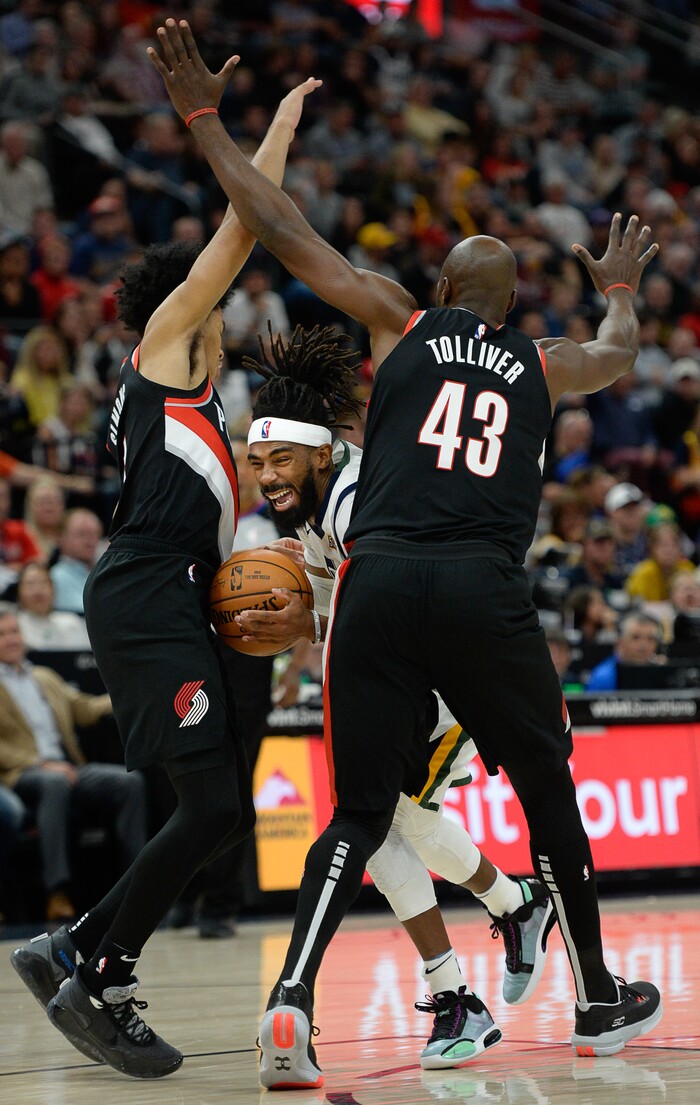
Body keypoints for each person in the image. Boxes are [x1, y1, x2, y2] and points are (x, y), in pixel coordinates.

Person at [150, 20, 663, 1085]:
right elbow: (617, 355)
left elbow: (280, 222)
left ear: (436, 288)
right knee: (549, 790)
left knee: (358, 811)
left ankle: (290, 1000)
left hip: (379, 583)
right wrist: (617, 287)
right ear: (512, 306)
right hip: (481, 586)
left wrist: (203, 119)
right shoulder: (541, 361)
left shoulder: (398, 319)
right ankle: (599, 994)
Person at [10, 73, 321, 1079]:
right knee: (212, 805)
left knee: (222, 798)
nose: (222, 293)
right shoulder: (166, 350)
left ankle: (72, 945)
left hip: (172, 590)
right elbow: (244, 225)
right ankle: (100, 970)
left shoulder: (196, 408)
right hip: (146, 588)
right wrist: (268, 129)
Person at [237, 325, 554, 1069]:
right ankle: (505, 916)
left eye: (279, 459)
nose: (266, 476)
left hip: (448, 676)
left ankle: (470, 973)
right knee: (383, 825)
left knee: (378, 821)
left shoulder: (355, 501)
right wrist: (303, 579)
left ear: (321, 451)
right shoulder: (322, 503)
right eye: (256, 462)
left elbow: (385, 614)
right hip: (405, 672)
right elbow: (348, 593)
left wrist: (308, 613)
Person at [0, 604, 146, 922]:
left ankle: (138, 885)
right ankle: (58, 892)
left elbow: (83, 708)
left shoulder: (43, 676)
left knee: (129, 782)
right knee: (53, 783)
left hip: (67, 768)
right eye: (2, 634)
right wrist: (39, 763)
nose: (11, 639)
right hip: (20, 774)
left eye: (14, 632)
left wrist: (130, 694)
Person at [15, 561, 91, 651]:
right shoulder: (13, 628)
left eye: (43, 583)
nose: (38, 591)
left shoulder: (72, 623)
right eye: (30, 584)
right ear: (19, 592)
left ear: (53, 589)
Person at [585, 612, 664, 691]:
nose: (643, 646)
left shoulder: (662, 673)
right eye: (635, 638)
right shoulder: (603, 678)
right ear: (620, 642)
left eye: (650, 639)